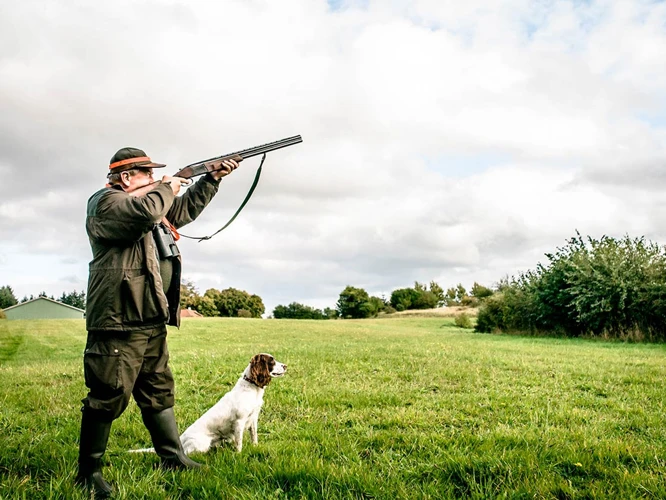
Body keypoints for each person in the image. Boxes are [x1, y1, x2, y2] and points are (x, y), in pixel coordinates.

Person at [75, 147, 239, 498]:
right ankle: (88, 473)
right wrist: (167, 185)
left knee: (158, 391)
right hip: (118, 319)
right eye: (146, 174)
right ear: (126, 178)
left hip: (150, 317)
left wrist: (210, 179)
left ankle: (172, 458)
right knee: (108, 394)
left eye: (154, 175)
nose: (152, 179)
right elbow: (147, 210)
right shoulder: (106, 204)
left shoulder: (149, 203)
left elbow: (178, 211)